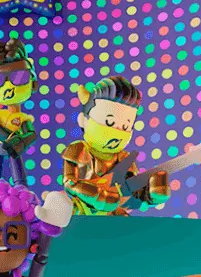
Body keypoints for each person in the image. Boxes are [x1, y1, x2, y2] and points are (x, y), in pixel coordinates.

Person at [62, 76, 169, 216]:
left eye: (125, 126)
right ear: (83, 120)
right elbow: (70, 182)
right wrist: (96, 195)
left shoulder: (123, 158)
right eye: (109, 123)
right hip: (82, 212)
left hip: (113, 212)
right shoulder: (79, 149)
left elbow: (132, 190)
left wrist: (152, 193)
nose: (117, 133)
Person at [0, 38, 38, 186]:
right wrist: (11, 138)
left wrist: (21, 142)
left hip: (15, 149)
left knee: (19, 176)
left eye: (19, 77)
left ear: (33, 83)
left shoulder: (23, 118)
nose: (8, 86)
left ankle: (21, 188)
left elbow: (31, 134)